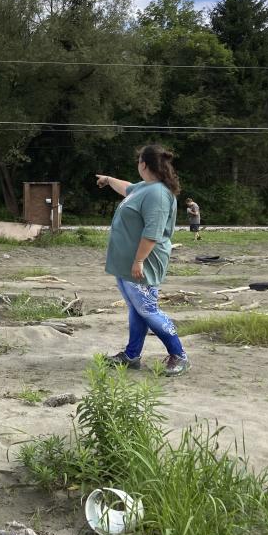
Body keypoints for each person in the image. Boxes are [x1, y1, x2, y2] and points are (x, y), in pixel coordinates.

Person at [95, 144, 189, 376]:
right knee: (137, 310)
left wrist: (138, 261)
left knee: (147, 309)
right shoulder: (145, 188)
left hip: (143, 264)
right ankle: (132, 355)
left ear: (143, 164)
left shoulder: (157, 194)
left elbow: (152, 233)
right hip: (128, 264)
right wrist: (108, 179)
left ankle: (179, 355)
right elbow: (127, 188)